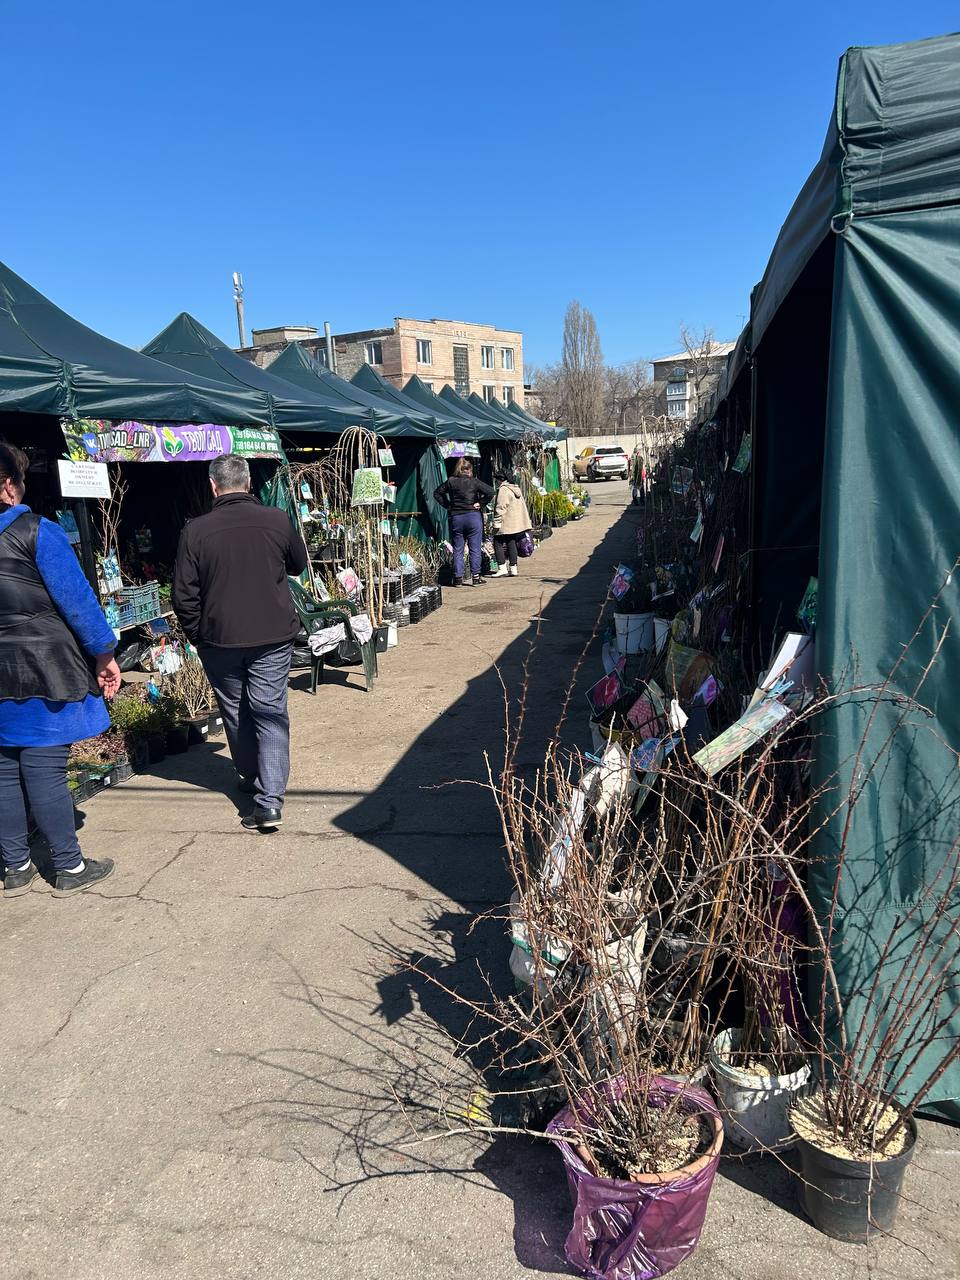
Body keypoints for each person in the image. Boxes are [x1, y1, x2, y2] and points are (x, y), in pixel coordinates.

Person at [0, 442, 120, 897]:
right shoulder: (36, 531)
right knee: (44, 767)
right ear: (9, 486)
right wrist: (104, 654)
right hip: (42, 669)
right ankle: (69, 867)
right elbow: (78, 603)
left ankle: (16, 866)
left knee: (3, 770)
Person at [172, 455, 308, 833]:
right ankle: (269, 802)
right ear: (248, 484)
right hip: (273, 635)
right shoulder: (277, 519)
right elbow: (298, 565)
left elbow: (183, 595)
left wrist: (200, 634)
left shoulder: (195, 531)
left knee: (236, 712)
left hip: (221, 639)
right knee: (270, 712)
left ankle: (252, 777)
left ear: (213, 487)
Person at [434, 458, 494, 587]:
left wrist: (449, 505)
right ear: (469, 470)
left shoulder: (451, 481)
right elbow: (491, 492)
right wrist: (481, 503)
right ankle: (476, 577)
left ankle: (458, 578)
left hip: (456, 518)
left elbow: (437, 493)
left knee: (458, 549)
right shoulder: (474, 482)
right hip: (473, 516)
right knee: (475, 548)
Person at [489, 470, 533, 578]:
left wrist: (496, 523)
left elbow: (500, 507)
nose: (496, 482)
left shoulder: (504, 490)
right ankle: (513, 569)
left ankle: (502, 568)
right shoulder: (515, 488)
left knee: (497, 541)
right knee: (511, 542)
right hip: (515, 523)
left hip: (506, 522)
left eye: (496, 480)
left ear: (500, 480)